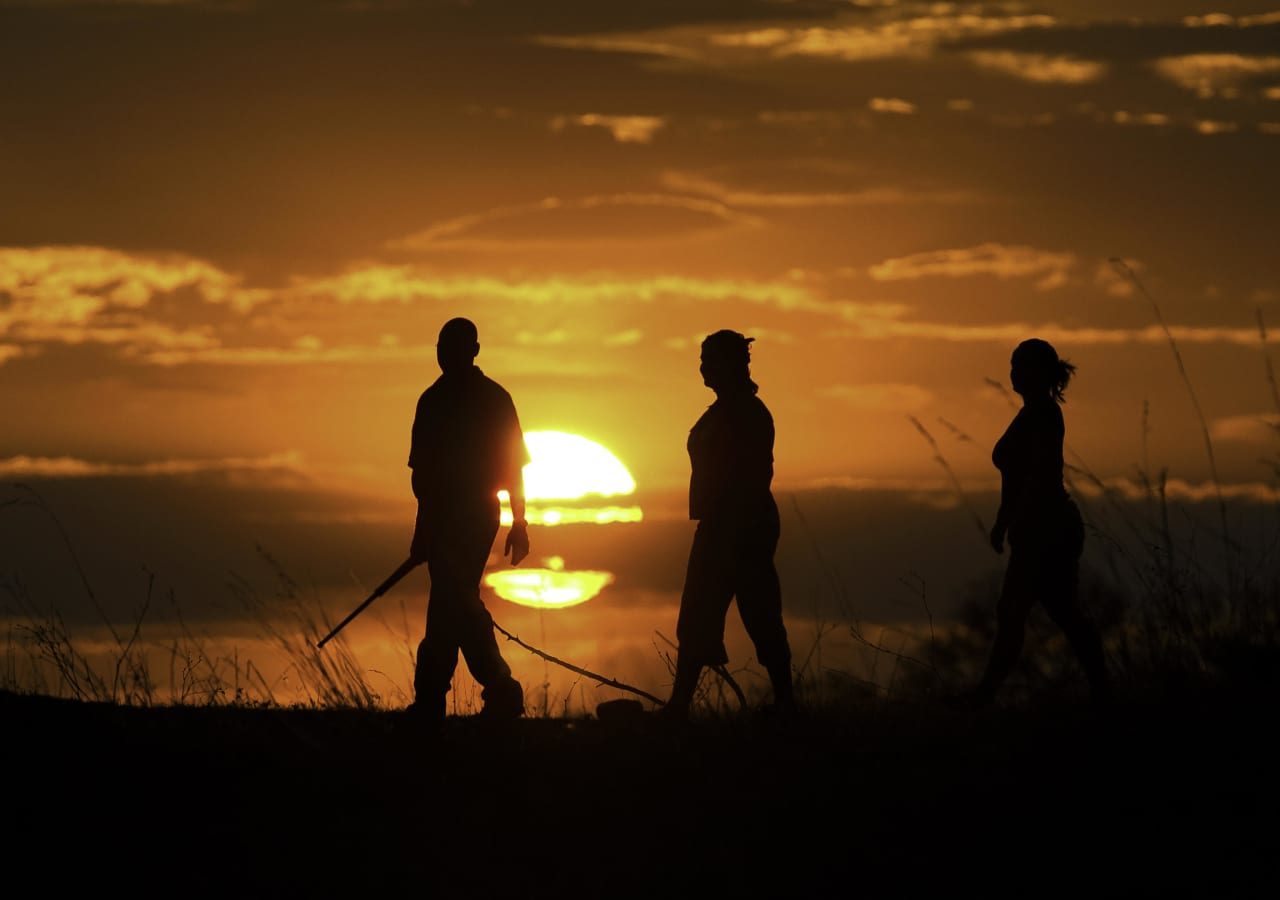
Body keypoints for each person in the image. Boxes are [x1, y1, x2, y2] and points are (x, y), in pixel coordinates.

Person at [964, 338, 1110, 707]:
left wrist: (1020, 523)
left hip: (1047, 529)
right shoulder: (1030, 414)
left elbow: (1038, 475)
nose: (1014, 373)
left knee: (1018, 610)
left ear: (1042, 372)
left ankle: (985, 696)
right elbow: (1013, 478)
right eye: (1013, 364)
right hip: (1036, 528)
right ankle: (1104, 692)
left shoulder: (1044, 413)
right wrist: (1002, 522)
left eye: (1023, 365)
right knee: (1057, 612)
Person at [662, 330, 795, 720]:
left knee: (758, 613)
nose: (703, 367)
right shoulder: (723, 410)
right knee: (701, 614)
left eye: (710, 359)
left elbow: (752, 476)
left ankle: (785, 703)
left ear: (735, 364)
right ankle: (679, 706)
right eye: (702, 359)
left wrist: (731, 530)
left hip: (741, 525)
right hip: (722, 524)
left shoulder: (747, 413)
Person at [405, 317, 530, 722]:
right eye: (441, 345)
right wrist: (422, 531)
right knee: (451, 603)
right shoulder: (431, 400)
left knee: (452, 597)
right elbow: (423, 477)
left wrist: (520, 522)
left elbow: (513, 467)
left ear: (474, 350)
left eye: (456, 345)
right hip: (439, 517)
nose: (446, 353)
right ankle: (452, 700)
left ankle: (494, 688)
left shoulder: (494, 399)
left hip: (477, 514)